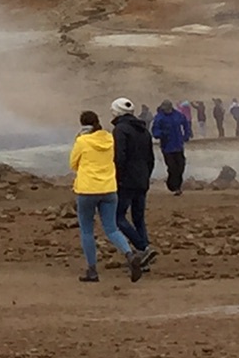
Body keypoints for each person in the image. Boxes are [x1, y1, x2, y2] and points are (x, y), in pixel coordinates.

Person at [71, 109, 151, 283]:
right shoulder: (108, 138)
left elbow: (73, 163)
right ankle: (130, 255)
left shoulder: (82, 141)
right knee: (112, 228)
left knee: (87, 230)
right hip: (109, 188)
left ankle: (92, 270)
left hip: (87, 189)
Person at [110, 98, 155, 256]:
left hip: (126, 180)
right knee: (138, 218)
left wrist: (117, 178)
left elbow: (119, 157)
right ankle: (145, 252)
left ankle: (142, 247)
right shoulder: (144, 130)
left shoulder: (120, 130)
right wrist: (146, 176)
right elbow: (151, 158)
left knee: (118, 217)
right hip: (142, 179)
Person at [151, 99, 190, 194]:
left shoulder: (177, 115)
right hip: (167, 147)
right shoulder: (159, 117)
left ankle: (177, 186)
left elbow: (185, 123)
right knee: (172, 167)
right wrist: (161, 134)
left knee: (181, 166)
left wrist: (186, 135)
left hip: (179, 145)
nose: (167, 110)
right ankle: (173, 186)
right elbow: (155, 130)